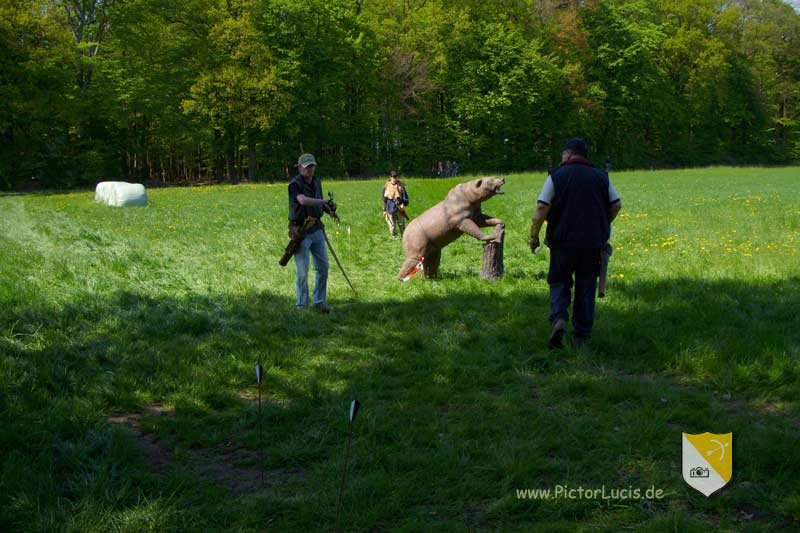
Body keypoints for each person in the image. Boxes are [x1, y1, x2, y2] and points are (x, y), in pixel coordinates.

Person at [529, 138, 622, 348]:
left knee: (559, 281)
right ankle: (581, 336)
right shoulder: (601, 176)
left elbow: (541, 209)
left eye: (563, 155)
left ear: (569, 155)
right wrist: (602, 223)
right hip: (592, 243)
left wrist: (534, 237)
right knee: (586, 285)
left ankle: (559, 318)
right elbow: (616, 205)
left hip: (562, 242)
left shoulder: (556, 175)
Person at [288, 153, 338, 313]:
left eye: (312, 166)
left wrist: (329, 210)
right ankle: (301, 306)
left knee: (323, 267)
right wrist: (323, 202)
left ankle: (319, 302)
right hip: (300, 231)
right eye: (307, 166)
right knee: (303, 271)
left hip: (316, 229)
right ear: (300, 167)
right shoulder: (294, 184)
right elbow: (302, 200)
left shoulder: (316, 181)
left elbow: (319, 200)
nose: (310, 169)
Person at [382, 170, 409, 238]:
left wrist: (403, 203)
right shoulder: (387, 186)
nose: (394, 179)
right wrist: (385, 209)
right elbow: (384, 199)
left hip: (398, 208)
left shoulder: (401, 186)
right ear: (390, 177)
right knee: (392, 227)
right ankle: (394, 239)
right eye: (393, 177)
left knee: (401, 224)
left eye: (395, 177)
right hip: (389, 208)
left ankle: (404, 238)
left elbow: (405, 198)